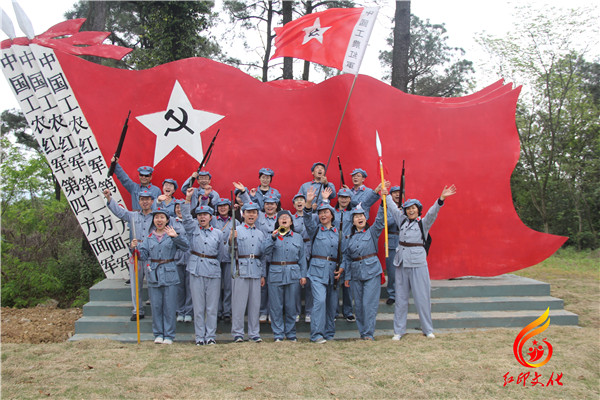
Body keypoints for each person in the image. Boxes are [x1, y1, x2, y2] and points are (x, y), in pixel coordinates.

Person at [387, 185, 457, 340]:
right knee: (401, 299)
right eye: (408, 209)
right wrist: (385, 195)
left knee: (422, 297)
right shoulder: (402, 221)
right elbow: (392, 208)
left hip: (418, 264)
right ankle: (399, 331)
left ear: (418, 209)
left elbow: (433, 213)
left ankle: (427, 329)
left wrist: (441, 199)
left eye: (413, 208)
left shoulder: (423, 224)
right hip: (402, 263)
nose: (411, 211)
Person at [135, 208, 189, 344]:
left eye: (162, 217)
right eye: (156, 217)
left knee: (170, 306)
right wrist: (134, 248)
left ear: (167, 220)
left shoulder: (172, 234)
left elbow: (186, 247)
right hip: (154, 273)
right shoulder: (149, 237)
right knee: (156, 306)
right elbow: (143, 255)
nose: (159, 220)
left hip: (170, 271)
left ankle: (169, 335)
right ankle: (158, 333)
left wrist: (175, 237)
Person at [343, 184, 388, 340]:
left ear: (365, 218)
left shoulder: (372, 232)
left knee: (369, 304)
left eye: (362, 215)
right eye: (356, 216)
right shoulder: (349, 238)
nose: (360, 218)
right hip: (356, 273)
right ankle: (363, 333)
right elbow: (347, 258)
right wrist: (347, 276)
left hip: (371, 271)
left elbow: (381, 220)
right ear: (353, 221)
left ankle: (368, 334)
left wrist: (383, 202)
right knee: (360, 306)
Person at [104, 188, 155, 321]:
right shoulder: (133, 216)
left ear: (152, 201)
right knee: (135, 284)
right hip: (136, 254)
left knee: (153, 284)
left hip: (152, 255)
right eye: (142, 199)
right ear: (139, 201)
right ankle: (137, 310)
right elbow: (119, 212)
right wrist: (109, 198)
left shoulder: (157, 217)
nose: (145, 202)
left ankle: (156, 309)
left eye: (147, 199)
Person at [182, 188, 224, 345]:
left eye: (205, 215)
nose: (202, 217)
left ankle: (210, 336)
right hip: (196, 269)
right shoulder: (193, 229)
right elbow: (186, 218)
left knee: (212, 307)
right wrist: (187, 199)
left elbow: (220, 254)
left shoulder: (218, 233)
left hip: (213, 270)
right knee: (198, 307)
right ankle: (200, 337)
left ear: (211, 217)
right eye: (199, 215)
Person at [303, 188, 345, 343]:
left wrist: (342, 268)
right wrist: (308, 202)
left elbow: (345, 252)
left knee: (331, 304)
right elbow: (307, 218)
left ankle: (329, 333)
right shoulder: (315, 230)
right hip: (316, 271)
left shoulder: (338, 233)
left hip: (332, 272)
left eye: (326, 212)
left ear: (332, 215)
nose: (323, 215)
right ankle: (316, 334)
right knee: (320, 301)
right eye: (320, 213)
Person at [233, 182, 279, 323]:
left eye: (272, 204)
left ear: (277, 205)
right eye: (267, 204)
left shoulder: (282, 217)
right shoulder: (260, 218)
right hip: (260, 255)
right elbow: (250, 206)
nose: (269, 206)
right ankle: (263, 311)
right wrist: (244, 191)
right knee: (262, 287)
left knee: (275, 286)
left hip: (277, 255)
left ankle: (272, 311)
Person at [264, 210, 307, 341]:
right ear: (277, 222)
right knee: (276, 306)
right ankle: (278, 334)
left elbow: (302, 257)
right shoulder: (272, 236)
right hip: (275, 272)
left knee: (291, 305)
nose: (284, 219)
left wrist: (303, 275)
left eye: (286, 217)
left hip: (293, 273)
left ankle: (291, 333)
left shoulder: (298, 237)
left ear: (291, 222)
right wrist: (272, 238)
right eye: (281, 218)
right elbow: (264, 251)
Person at [230, 201, 267, 342]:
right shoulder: (236, 230)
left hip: (256, 270)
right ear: (243, 214)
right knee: (239, 304)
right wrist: (230, 239)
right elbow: (229, 252)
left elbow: (263, 256)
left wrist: (263, 274)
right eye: (248, 212)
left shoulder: (260, 233)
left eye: (254, 212)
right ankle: (238, 333)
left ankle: (254, 333)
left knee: (255, 304)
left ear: (257, 215)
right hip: (241, 269)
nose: (251, 215)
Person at [208, 197, 236, 322]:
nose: (222, 208)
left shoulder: (235, 221)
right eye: (220, 206)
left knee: (229, 287)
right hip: (215, 256)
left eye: (225, 206)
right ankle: (217, 310)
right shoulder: (213, 220)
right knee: (216, 287)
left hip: (230, 256)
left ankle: (227, 311)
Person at [291, 193, 312, 323]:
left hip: (310, 249)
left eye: (302, 200)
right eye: (296, 201)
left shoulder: (312, 216)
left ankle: (309, 311)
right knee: (296, 284)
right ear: (293, 204)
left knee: (309, 283)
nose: (299, 202)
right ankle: (296, 311)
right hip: (296, 249)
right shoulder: (290, 218)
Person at [172, 200, 193, 323]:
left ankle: (189, 312)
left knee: (190, 287)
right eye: (177, 208)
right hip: (177, 258)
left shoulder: (192, 223)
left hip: (191, 258)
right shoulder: (172, 222)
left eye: (181, 207)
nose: (179, 210)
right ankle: (180, 311)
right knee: (179, 287)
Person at [384, 186, 402, 306]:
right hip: (391, 240)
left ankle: (402, 294)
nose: (397, 195)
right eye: (394, 193)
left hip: (403, 240)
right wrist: (397, 214)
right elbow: (387, 223)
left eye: (399, 193)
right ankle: (392, 294)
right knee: (391, 270)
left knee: (404, 270)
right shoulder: (387, 208)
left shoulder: (407, 208)